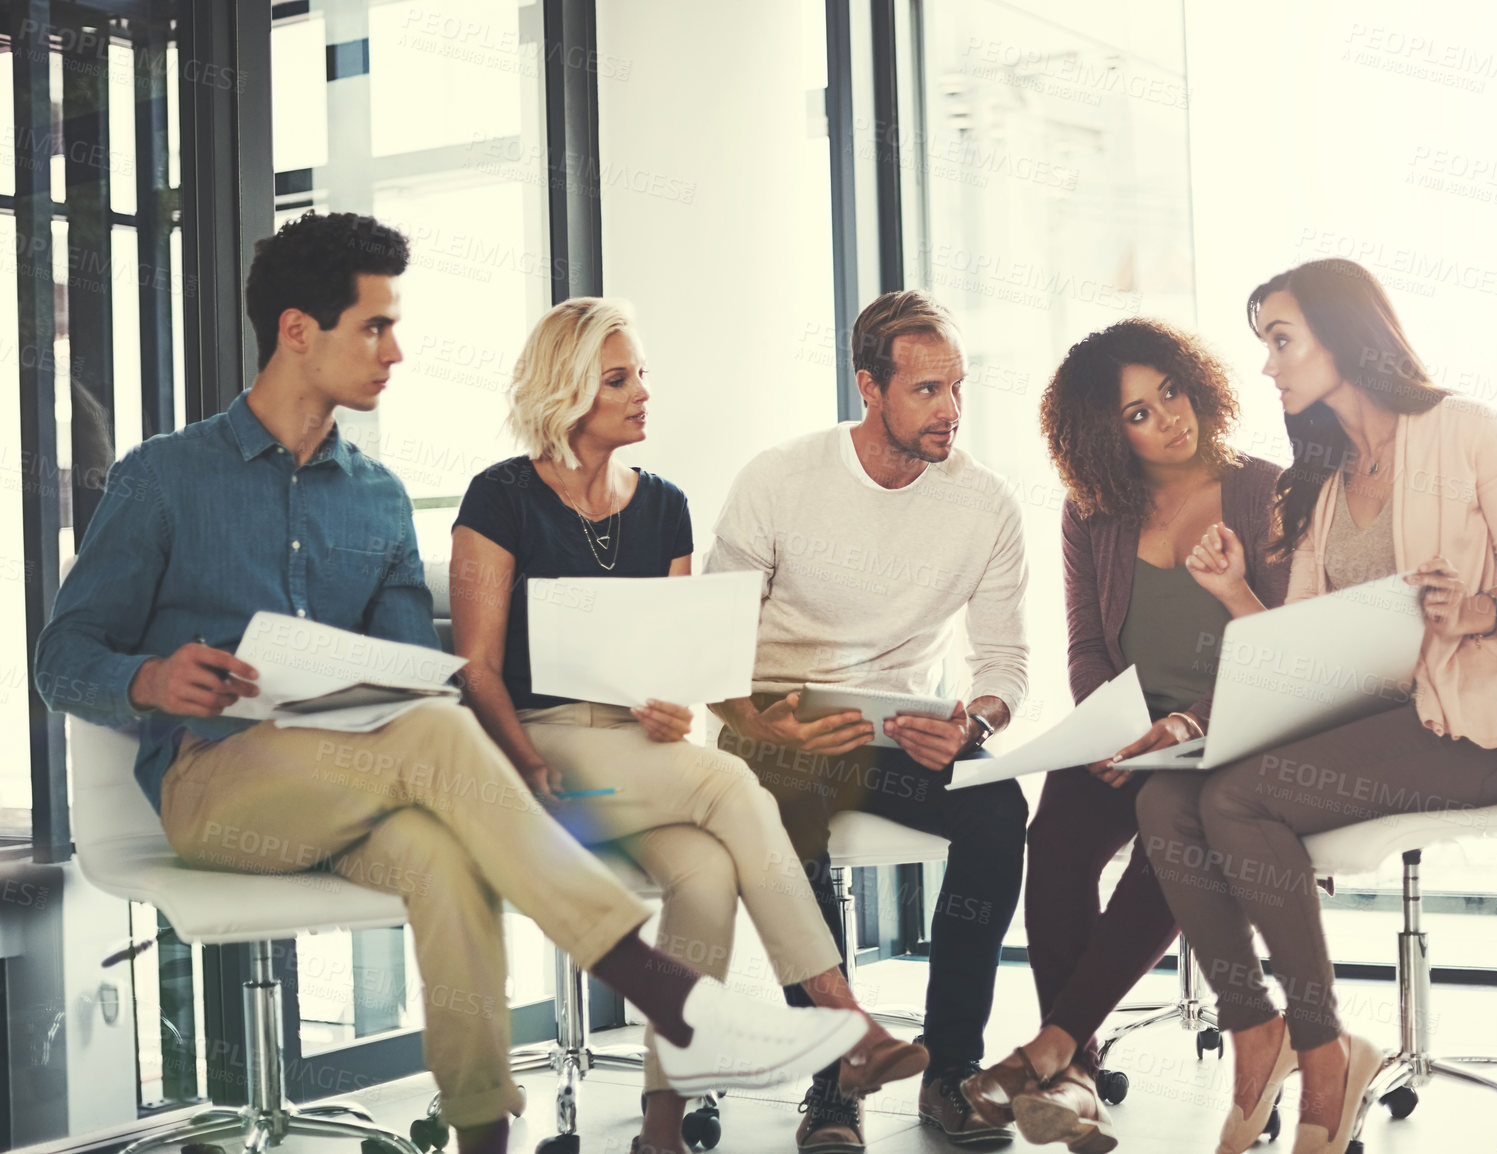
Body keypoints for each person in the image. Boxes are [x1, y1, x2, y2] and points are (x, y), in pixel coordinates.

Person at [34, 212, 868, 1154]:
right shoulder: (165, 477)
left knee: (444, 855)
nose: (397, 351)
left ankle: (482, 1137)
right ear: (298, 331)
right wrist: (148, 677)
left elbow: (414, 681)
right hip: (217, 787)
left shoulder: (380, 497)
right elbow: (61, 658)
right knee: (437, 745)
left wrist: (404, 690)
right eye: (376, 327)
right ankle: (673, 998)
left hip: (365, 784)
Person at [449, 297, 928, 1154]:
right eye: (619, 378)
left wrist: (693, 705)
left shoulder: (664, 504)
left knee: (706, 875)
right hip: (542, 739)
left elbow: (680, 669)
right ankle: (847, 1023)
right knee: (733, 781)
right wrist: (522, 760)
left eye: (643, 375)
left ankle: (660, 1129)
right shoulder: (501, 496)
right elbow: (477, 668)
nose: (643, 393)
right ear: (566, 391)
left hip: (642, 748)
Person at [1131, 258, 1497, 1154]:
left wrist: (1482, 608)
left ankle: (1324, 1053)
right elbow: (1305, 646)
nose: (1269, 366)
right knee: (1165, 798)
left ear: (1345, 334)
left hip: (1466, 729)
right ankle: (1259, 1035)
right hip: (1366, 722)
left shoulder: (1467, 431)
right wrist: (1236, 593)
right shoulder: (1323, 480)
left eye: (1281, 340)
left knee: (1234, 797)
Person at [705, 289, 1032, 1153]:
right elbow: (708, 646)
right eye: (927, 390)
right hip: (779, 736)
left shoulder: (987, 503)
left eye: (958, 387)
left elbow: (1006, 667)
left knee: (1001, 808)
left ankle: (951, 1070)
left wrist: (973, 723)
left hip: (898, 737)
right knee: (784, 808)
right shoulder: (780, 478)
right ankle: (833, 1081)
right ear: (868, 386)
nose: (951, 411)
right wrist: (767, 724)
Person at [961, 318, 1290, 1153]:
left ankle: (1055, 1053)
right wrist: (1116, 725)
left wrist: (1188, 724)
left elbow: (1293, 648)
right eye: (1138, 412)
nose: (1167, 417)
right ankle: (1072, 1078)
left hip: (1239, 732)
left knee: (1168, 835)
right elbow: (1084, 644)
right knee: (1058, 836)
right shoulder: (1094, 512)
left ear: (1196, 384)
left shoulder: (1268, 492)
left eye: (1170, 391)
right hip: (1133, 726)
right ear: (1106, 435)